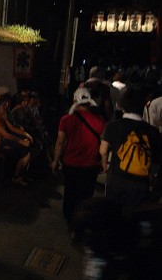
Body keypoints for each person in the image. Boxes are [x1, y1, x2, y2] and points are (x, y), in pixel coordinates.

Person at [100, 84, 162, 217]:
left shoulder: (113, 126)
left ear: (122, 105)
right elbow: (156, 160)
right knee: (133, 220)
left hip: (115, 180)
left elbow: (103, 150)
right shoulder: (153, 132)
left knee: (112, 216)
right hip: (140, 184)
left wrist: (104, 165)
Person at [50, 88, 106, 224]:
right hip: (90, 164)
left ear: (75, 100)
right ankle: (81, 222)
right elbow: (103, 145)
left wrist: (55, 161)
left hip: (71, 163)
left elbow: (60, 143)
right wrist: (104, 162)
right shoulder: (100, 121)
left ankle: (70, 219)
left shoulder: (66, 119)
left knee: (70, 192)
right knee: (86, 195)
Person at [0, 97, 33, 186]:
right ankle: (17, 176)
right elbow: (6, 134)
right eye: (2, 107)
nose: (4, 108)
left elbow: (12, 128)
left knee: (27, 147)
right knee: (25, 150)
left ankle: (20, 175)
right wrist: (21, 141)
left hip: (5, 140)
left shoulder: (2, 116)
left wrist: (25, 134)